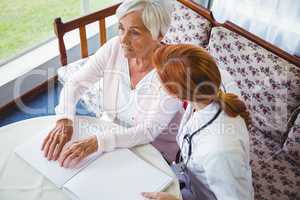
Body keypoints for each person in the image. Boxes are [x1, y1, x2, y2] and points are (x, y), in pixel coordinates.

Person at [41, 0, 183, 167]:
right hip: (112, 135)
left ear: (159, 35)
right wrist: (64, 119)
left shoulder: (173, 73)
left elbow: (147, 131)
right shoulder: (115, 47)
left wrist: (98, 142)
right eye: (121, 28)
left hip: (154, 152)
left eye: (135, 33)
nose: (123, 39)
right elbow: (76, 83)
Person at [142, 44, 254, 200]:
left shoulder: (220, 150)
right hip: (189, 180)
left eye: (160, 82)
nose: (157, 84)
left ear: (175, 94)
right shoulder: (207, 86)